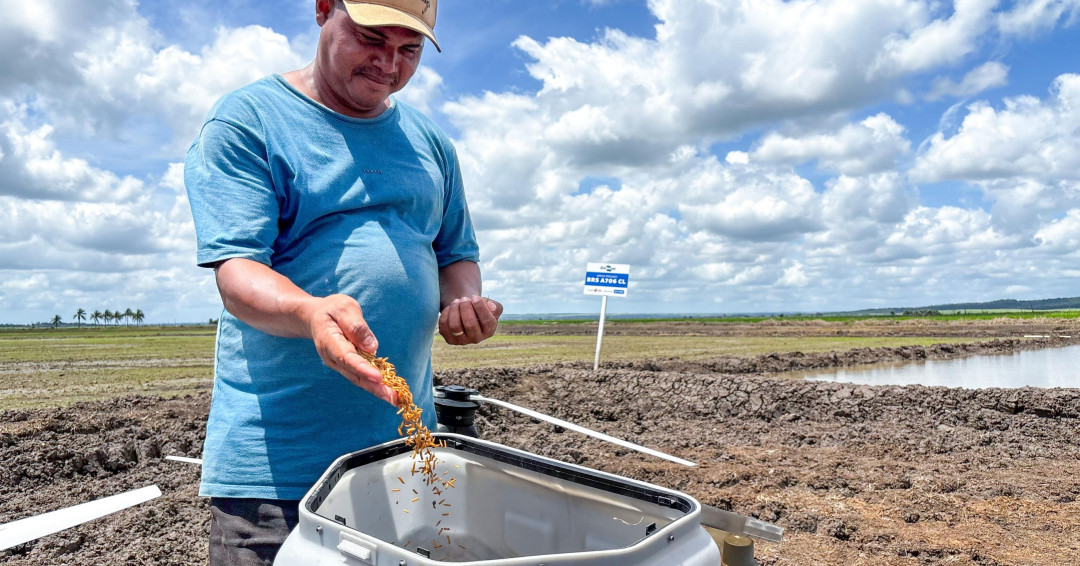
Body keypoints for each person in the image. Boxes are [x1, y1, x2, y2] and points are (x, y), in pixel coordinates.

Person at [184, 0, 501, 563]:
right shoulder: (249, 120)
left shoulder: (431, 144)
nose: (389, 64)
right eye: (371, 38)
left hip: (403, 452)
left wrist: (464, 301)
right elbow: (238, 273)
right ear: (324, 9)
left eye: (409, 50)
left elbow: (456, 253)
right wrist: (311, 313)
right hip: (279, 471)